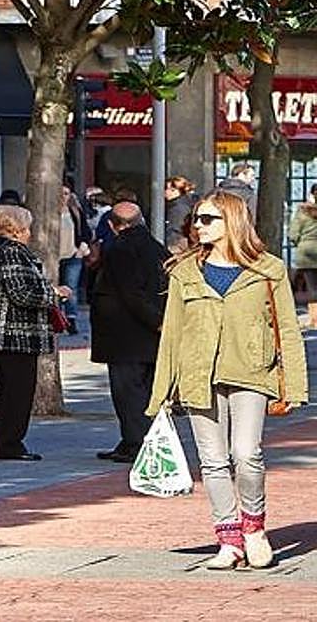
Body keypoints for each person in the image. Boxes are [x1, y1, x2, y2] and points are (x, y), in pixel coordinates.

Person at [148, 190, 308, 570]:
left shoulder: (268, 269)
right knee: (213, 461)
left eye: (207, 219)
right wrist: (161, 395)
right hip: (197, 371)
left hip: (251, 369)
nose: (197, 226)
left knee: (246, 453)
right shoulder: (184, 272)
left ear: (232, 222)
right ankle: (229, 538)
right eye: (196, 220)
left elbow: (287, 328)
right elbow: (172, 333)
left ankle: (254, 528)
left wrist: (296, 387)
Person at [0, 205, 71, 461]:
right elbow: (20, 293)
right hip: (16, 331)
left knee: (6, 388)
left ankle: (4, 442)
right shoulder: (11, 252)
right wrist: (55, 293)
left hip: (2, 331)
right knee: (18, 391)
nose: (30, 233)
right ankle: (9, 444)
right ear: (16, 229)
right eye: (27, 227)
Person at [89, 202, 168, 463]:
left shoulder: (120, 249)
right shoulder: (156, 247)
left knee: (128, 392)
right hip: (148, 335)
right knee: (142, 389)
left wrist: (155, 321)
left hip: (126, 335)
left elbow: (130, 293)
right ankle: (131, 440)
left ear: (112, 225)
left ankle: (137, 443)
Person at [57, 184, 90, 333]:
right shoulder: (49, 213)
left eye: (66, 193)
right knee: (55, 288)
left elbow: (85, 231)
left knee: (71, 288)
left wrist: (82, 246)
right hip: (55, 256)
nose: (64, 196)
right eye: (61, 193)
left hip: (72, 255)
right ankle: (56, 319)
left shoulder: (75, 211)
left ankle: (71, 320)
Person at [287, 183, 317, 328]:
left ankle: (314, 319)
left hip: (306, 253)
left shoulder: (303, 211)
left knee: (312, 287)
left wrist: (299, 242)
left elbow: (293, 233)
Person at [164, 175, 197, 253]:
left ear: (176, 191)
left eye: (168, 189)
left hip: (176, 247)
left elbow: (176, 230)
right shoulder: (183, 205)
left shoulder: (179, 208)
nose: (165, 192)